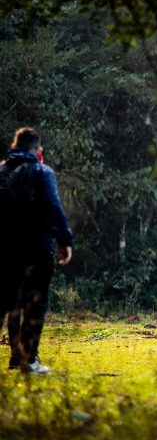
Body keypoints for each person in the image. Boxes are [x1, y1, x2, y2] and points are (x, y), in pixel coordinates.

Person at [0, 127, 73, 374]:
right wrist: (65, 241)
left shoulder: (1, 172)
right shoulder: (43, 172)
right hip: (37, 250)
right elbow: (53, 206)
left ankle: (16, 357)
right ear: (38, 151)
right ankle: (28, 360)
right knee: (35, 304)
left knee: (6, 304)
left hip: (5, 252)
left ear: (13, 147)